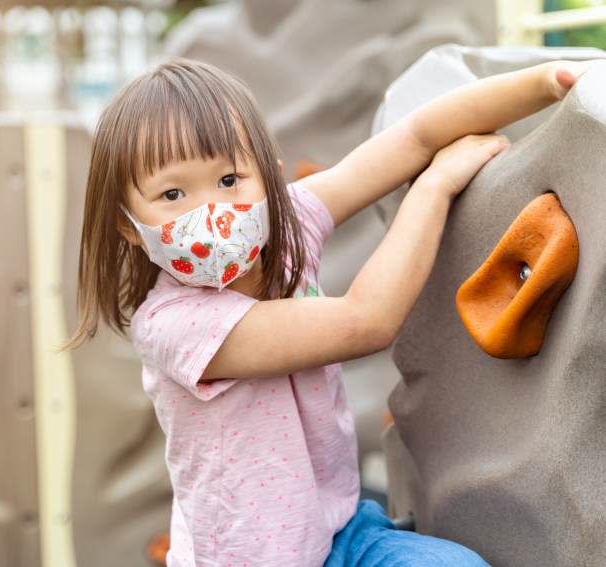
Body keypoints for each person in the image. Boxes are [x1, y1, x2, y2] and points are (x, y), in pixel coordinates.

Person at [67, 57, 587, 566]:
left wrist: (549, 81)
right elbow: (366, 322)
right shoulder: (175, 324)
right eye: (173, 194)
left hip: (341, 532)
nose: (212, 213)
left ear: (268, 179)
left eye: (229, 180)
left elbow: (413, 138)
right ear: (130, 226)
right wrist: (433, 187)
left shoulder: (288, 225)